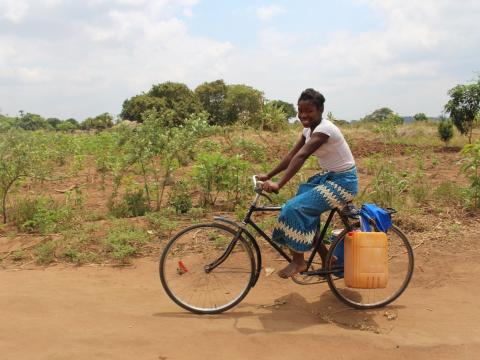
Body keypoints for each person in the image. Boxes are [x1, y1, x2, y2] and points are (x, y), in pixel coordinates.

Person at [257, 88, 358, 278]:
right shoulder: (308, 130)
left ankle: (298, 261)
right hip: (330, 177)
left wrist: (279, 184)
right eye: (300, 111)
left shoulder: (324, 130)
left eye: (309, 111)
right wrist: (268, 175)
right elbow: (292, 155)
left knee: (294, 208)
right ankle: (329, 259)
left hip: (344, 183)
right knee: (306, 218)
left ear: (320, 110)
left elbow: (302, 155)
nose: (303, 115)